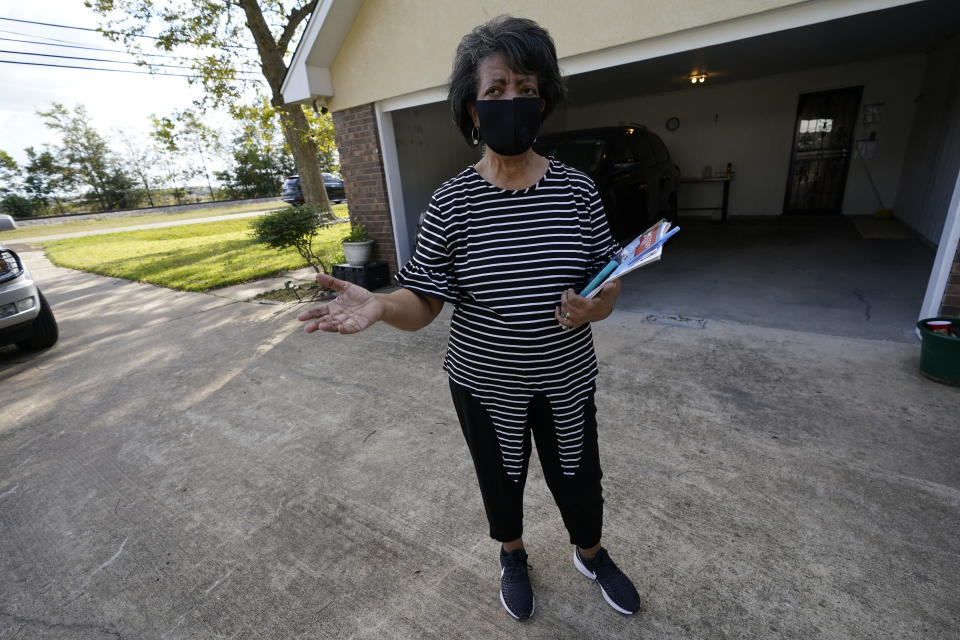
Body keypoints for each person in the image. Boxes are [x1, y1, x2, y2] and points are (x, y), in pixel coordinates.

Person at [298, 15, 642, 620]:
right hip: (484, 382)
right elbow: (423, 299)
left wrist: (598, 307)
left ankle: (590, 551)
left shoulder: (578, 191)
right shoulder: (451, 202)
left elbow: (605, 284)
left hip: (565, 376)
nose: (514, 100)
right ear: (472, 107)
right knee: (499, 478)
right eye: (497, 88)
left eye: (527, 88)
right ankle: (512, 553)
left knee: (580, 476)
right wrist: (381, 305)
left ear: (544, 99)